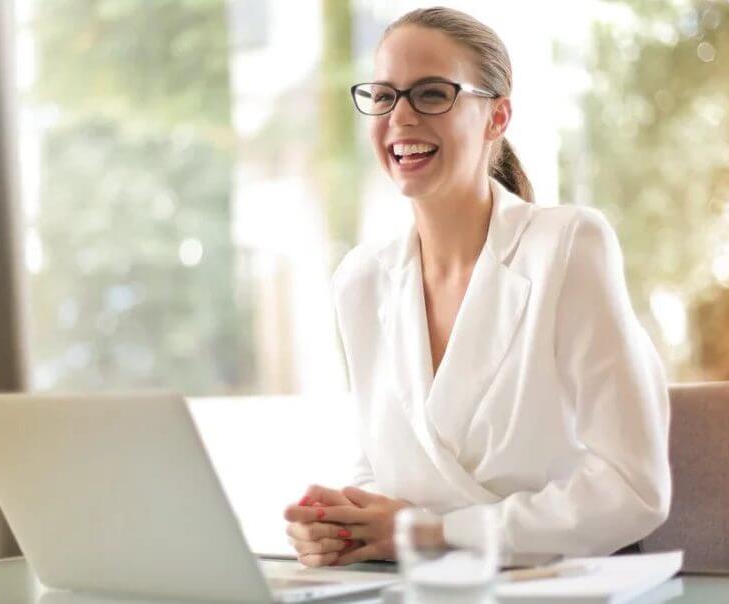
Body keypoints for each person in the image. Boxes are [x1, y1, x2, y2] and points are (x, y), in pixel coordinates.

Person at [283, 7, 671, 567]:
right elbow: (381, 466)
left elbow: (635, 488)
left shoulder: (566, 247)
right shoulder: (361, 282)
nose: (401, 117)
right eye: (384, 95)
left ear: (497, 116)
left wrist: (435, 532)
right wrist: (344, 524)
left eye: (432, 94)